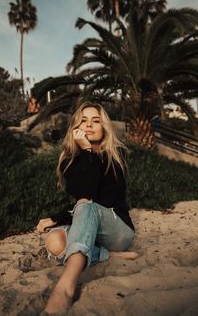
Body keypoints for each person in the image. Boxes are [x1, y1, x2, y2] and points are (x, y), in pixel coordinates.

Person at [37, 102, 137, 315]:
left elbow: (97, 199)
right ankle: (106, 254)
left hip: (117, 230)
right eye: (84, 120)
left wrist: (56, 217)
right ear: (75, 126)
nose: (89, 125)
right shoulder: (70, 161)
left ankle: (65, 287)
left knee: (86, 205)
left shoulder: (116, 156)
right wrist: (85, 152)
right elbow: (85, 193)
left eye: (96, 120)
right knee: (53, 241)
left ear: (105, 127)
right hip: (90, 224)